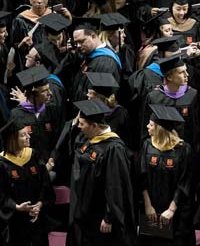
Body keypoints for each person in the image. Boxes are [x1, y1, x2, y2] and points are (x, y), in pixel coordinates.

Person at [68, 99, 136, 246]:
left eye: (82, 124)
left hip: (100, 215)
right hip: (86, 210)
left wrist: (109, 216)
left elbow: (115, 185)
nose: (79, 127)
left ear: (94, 126)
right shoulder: (90, 141)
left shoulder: (114, 149)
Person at [139, 104, 195, 246]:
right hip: (151, 209)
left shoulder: (183, 149)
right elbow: (141, 177)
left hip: (176, 211)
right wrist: (148, 206)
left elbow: (185, 181)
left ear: (159, 128)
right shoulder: (147, 145)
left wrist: (171, 209)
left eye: (151, 124)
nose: (147, 127)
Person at [0, 118, 55, 246]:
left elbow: (45, 183)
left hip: (36, 217)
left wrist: (40, 204)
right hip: (15, 221)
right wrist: (16, 207)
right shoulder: (3, 163)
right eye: (23, 135)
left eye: (27, 133)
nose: (28, 136)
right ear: (13, 139)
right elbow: (1, 194)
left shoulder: (33, 155)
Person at [11, 66, 61, 163]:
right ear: (32, 94)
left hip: (49, 162)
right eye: (44, 91)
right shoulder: (16, 114)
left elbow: (58, 137)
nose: (50, 93)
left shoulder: (52, 109)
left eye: (48, 89)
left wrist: (52, 160)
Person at [70, 17, 122, 105]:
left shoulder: (106, 62)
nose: (78, 46)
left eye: (81, 41)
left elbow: (101, 98)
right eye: (76, 42)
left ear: (93, 36)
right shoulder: (89, 55)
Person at [85, 72, 131, 147]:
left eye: (90, 93)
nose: (87, 95)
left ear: (99, 97)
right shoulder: (88, 112)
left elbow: (127, 140)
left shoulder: (120, 113)